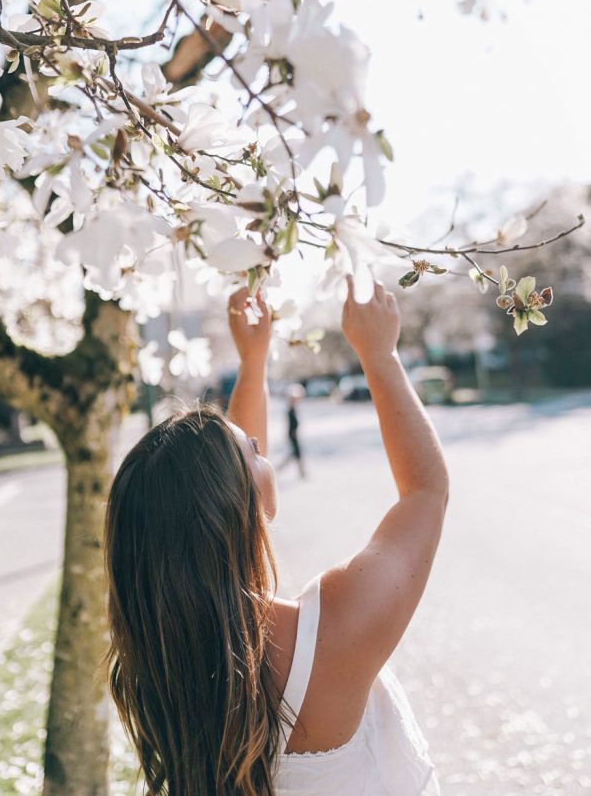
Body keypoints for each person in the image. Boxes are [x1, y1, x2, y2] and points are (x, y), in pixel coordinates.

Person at [104, 278, 448, 796]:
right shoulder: (332, 630)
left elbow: (220, 504)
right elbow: (425, 492)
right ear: (243, 507)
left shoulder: (159, 663)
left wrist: (254, 362)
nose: (263, 449)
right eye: (256, 450)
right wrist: (381, 356)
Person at [279, 383, 306, 478]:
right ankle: (301, 472)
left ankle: (302, 472)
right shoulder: (290, 410)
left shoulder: (294, 409)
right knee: (296, 453)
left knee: (295, 453)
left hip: (293, 434)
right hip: (292, 435)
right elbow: (291, 424)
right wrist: (294, 432)